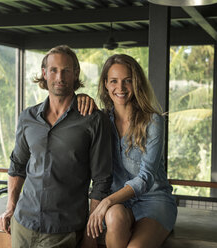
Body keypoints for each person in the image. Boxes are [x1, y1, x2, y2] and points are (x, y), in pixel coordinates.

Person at [0, 45, 113, 248]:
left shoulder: (93, 119)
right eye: (53, 70)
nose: (59, 76)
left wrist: (91, 231)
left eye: (66, 70)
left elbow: (102, 180)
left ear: (75, 74)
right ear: (44, 73)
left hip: (64, 230)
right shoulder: (28, 117)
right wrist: (10, 207)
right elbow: (17, 166)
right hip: (22, 225)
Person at [78, 54, 177, 248]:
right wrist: (79, 99)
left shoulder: (153, 122)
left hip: (154, 200)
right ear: (106, 84)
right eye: (114, 81)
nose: (120, 88)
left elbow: (146, 178)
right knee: (114, 216)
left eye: (127, 81)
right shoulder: (100, 121)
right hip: (119, 205)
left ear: (136, 83)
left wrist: (106, 202)